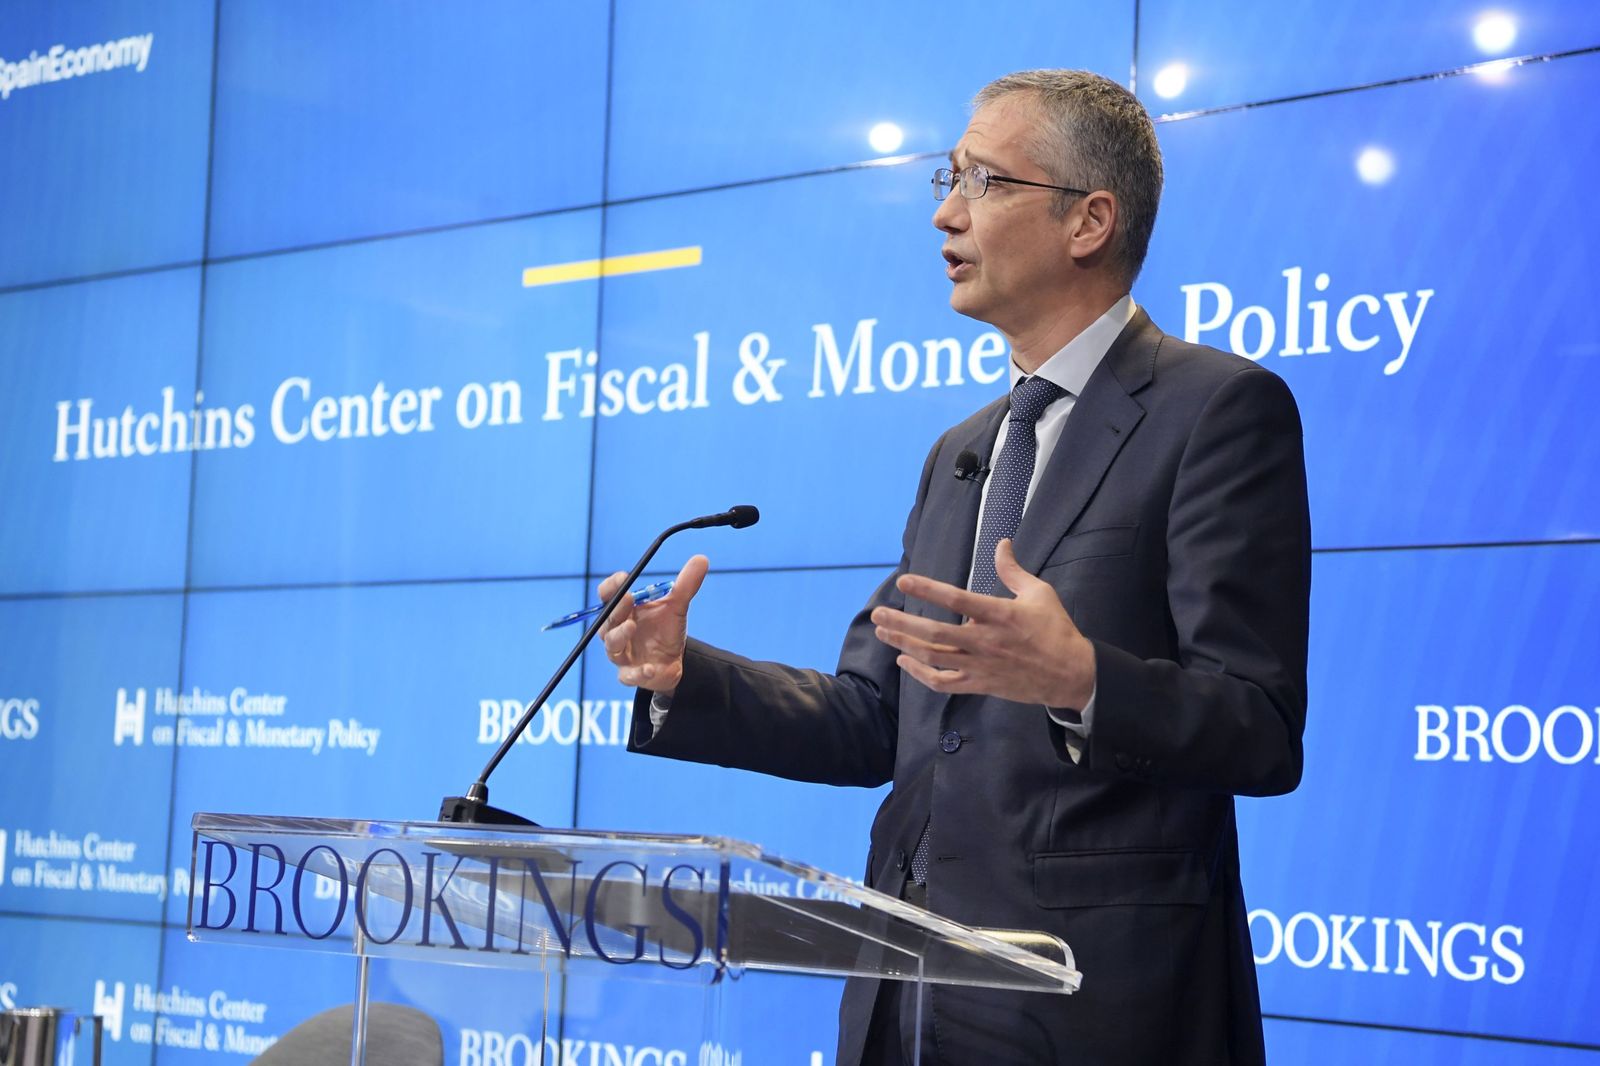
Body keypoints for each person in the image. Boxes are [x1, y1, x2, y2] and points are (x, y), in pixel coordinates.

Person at [598, 69, 1310, 1065]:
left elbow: (1260, 727)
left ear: (1087, 221)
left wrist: (1082, 679)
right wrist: (685, 678)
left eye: (981, 180)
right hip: (912, 996)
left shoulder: (1217, 411)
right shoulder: (961, 449)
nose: (944, 211)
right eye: (949, 176)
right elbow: (877, 717)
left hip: (1096, 1006)